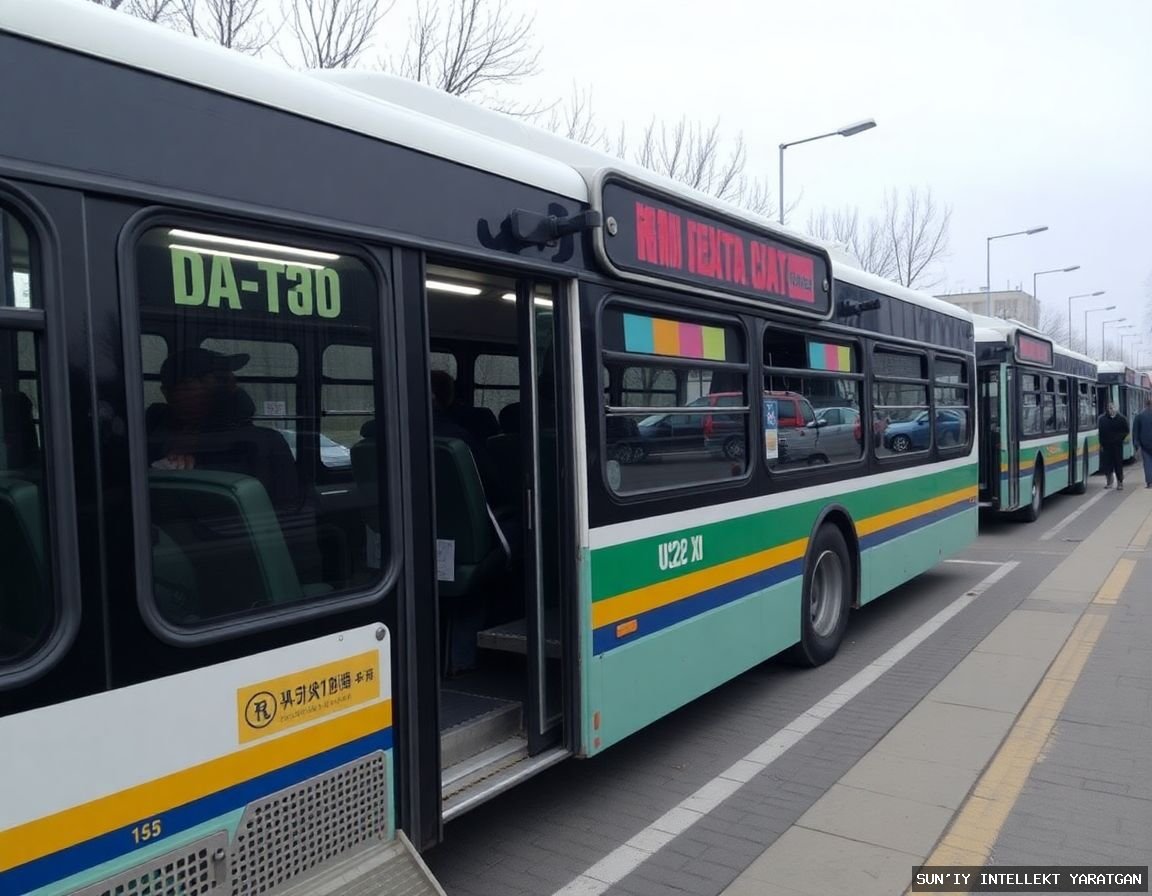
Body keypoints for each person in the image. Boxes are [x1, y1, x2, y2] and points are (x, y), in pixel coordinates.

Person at [146, 347, 301, 512]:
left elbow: (287, 509)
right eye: (217, 378)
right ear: (168, 392)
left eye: (226, 378)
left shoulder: (261, 443)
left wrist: (195, 470)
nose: (231, 383)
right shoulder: (146, 435)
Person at [1097, 401, 1130, 491]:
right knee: (1107, 464)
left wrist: (1120, 438)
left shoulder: (1122, 419)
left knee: (1118, 464)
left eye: (1112, 408)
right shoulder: (1102, 419)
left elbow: (1126, 430)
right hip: (1106, 445)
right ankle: (1109, 482)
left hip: (1117, 446)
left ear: (1116, 408)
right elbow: (1100, 433)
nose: (1110, 410)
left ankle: (1120, 482)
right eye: (1109, 408)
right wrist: (1101, 444)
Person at [1132, 396, 1152, 489]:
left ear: (1145, 404)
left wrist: (1137, 446)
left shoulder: (1139, 416)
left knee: (1147, 464)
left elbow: (1135, 432)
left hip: (1144, 445)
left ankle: (1149, 483)